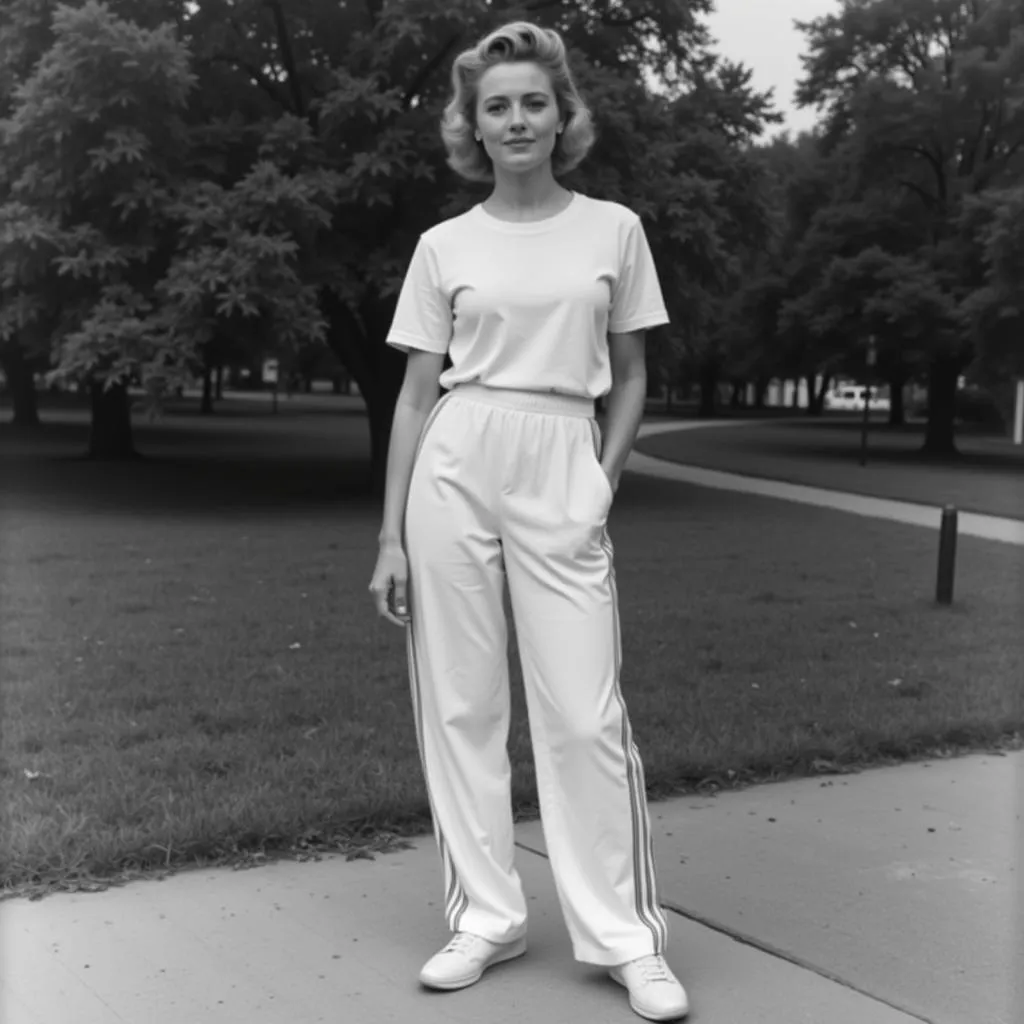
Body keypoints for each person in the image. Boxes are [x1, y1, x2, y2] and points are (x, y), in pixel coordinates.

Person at [368, 19, 689, 1023]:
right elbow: (416, 396)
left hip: (563, 456)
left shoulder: (613, 230)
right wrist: (388, 535)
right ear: (474, 125)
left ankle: (625, 938)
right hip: (455, 461)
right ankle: (486, 917)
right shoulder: (442, 246)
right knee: (460, 704)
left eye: (531, 103)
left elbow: (632, 375)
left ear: (561, 117)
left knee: (586, 714)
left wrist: (602, 477)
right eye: (494, 105)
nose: (514, 119)